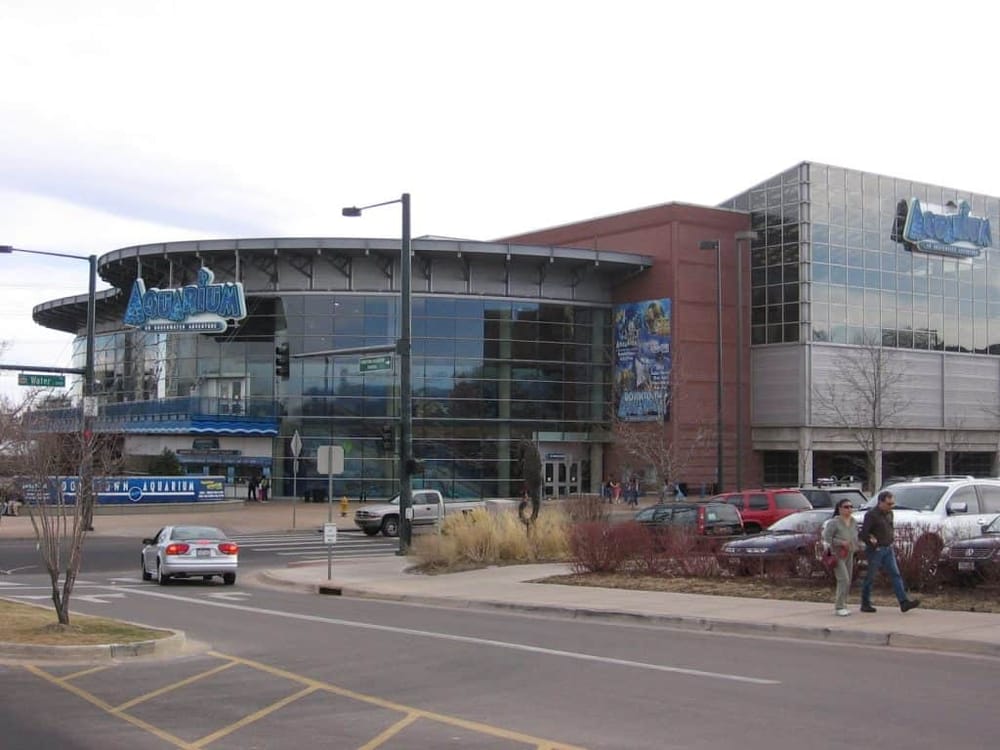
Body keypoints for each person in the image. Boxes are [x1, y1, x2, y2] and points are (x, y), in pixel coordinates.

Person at [860, 489, 921, 613]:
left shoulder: (889, 514)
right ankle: (865, 603)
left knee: (895, 574)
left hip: (888, 548)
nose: (890, 506)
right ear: (880, 502)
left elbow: (889, 528)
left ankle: (903, 602)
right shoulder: (871, 515)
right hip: (876, 550)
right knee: (870, 577)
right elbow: (863, 533)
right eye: (888, 504)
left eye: (892, 504)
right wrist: (871, 542)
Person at [823, 498, 862, 616]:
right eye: (846, 507)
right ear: (839, 509)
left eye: (851, 507)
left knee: (848, 579)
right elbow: (827, 538)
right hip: (837, 554)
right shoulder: (834, 522)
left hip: (849, 553)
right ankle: (839, 606)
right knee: (843, 578)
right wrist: (840, 542)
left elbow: (856, 535)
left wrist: (858, 545)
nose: (849, 509)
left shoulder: (854, 521)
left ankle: (844, 604)